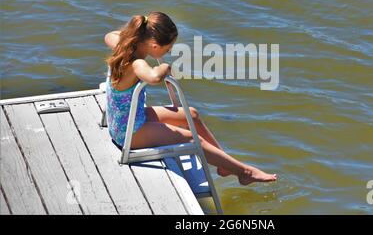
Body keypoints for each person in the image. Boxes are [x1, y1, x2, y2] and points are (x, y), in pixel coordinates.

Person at [104, 12, 277, 185]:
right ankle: (245, 172)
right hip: (129, 133)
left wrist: (131, 38)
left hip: (127, 119)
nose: (170, 51)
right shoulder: (136, 64)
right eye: (168, 48)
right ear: (154, 45)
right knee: (192, 139)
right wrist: (165, 67)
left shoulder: (123, 47)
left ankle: (225, 164)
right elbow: (154, 77)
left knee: (191, 115)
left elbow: (108, 36)